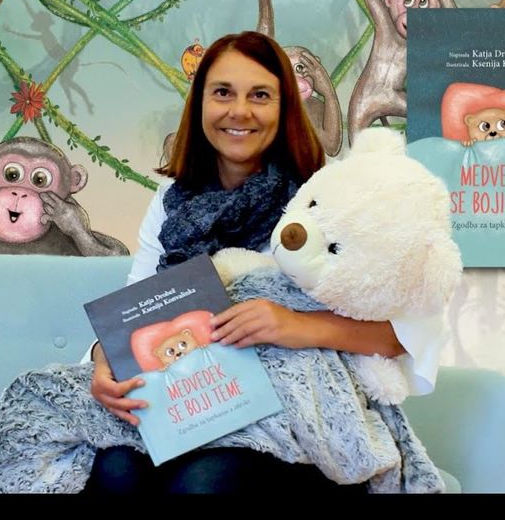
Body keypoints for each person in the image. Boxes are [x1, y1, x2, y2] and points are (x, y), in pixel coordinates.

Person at [82, 31, 447, 494]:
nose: (239, 111)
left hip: (305, 419)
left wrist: (294, 325)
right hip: (199, 407)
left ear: (286, 106)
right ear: (199, 105)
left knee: (204, 484)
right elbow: (136, 308)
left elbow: (407, 334)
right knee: (114, 469)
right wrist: (103, 362)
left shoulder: (327, 195)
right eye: (222, 93)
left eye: (260, 95)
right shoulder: (172, 200)